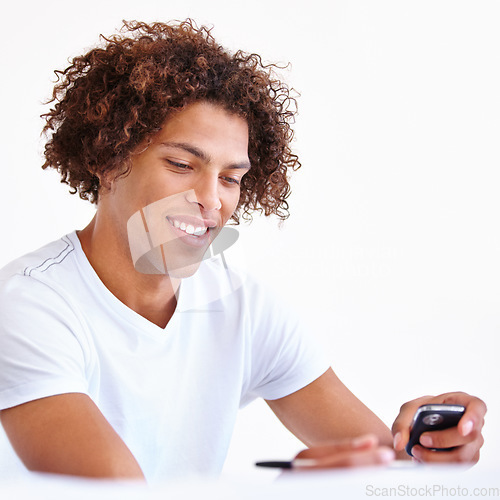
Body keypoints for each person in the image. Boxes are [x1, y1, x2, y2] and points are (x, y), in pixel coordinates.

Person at [0, 20, 486, 482]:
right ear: (107, 160)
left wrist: (421, 450)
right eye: (181, 164)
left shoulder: (241, 308)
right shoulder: (28, 307)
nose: (212, 201)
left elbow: (379, 474)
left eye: (231, 178)